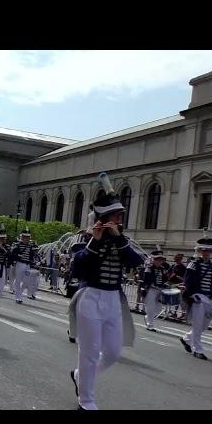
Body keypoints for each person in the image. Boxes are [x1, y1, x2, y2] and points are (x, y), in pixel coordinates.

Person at [68, 173, 143, 410]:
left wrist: (119, 239)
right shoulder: (85, 239)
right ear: (104, 217)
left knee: (112, 353)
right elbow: (77, 268)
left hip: (113, 299)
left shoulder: (122, 240)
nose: (120, 219)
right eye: (116, 215)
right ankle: (86, 400)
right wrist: (95, 242)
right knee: (89, 351)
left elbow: (135, 262)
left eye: (120, 216)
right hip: (90, 296)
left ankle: (81, 375)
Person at [179, 233, 212, 360]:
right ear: (199, 250)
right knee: (197, 324)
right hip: (197, 297)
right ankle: (197, 350)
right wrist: (192, 296)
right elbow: (188, 282)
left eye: (208, 250)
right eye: (204, 250)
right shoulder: (193, 264)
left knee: (204, 325)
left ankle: (186, 339)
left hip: (208, 298)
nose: (206, 252)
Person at [142, 249, 168, 331]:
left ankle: (148, 317)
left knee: (159, 309)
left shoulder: (163, 269)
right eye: (157, 259)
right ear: (153, 260)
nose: (159, 261)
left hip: (160, 290)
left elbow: (164, 280)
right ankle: (150, 325)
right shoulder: (149, 268)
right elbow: (145, 280)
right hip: (151, 290)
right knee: (151, 307)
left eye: (160, 259)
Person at [10, 227, 37, 304]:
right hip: (20, 263)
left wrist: (32, 262)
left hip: (27, 264)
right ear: (22, 237)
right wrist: (18, 256)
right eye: (25, 237)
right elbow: (13, 254)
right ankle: (18, 297)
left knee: (26, 281)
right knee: (18, 280)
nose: (27, 239)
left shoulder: (30, 246)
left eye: (28, 237)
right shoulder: (17, 245)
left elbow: (31, 255)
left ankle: (18, 293)